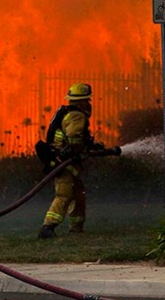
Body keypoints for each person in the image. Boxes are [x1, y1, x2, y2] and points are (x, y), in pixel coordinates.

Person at [37, 82, 103, 239]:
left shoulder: (66, 112)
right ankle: (47, 227)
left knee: (78, 193)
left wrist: (90, 146)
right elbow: (74, 137)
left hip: (66, 162)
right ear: (82, 101)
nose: (89, 104)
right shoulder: (76, 115)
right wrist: (80, 150)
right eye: (87, 100)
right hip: (64, 162)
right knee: (64, 194)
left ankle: (76, 227)